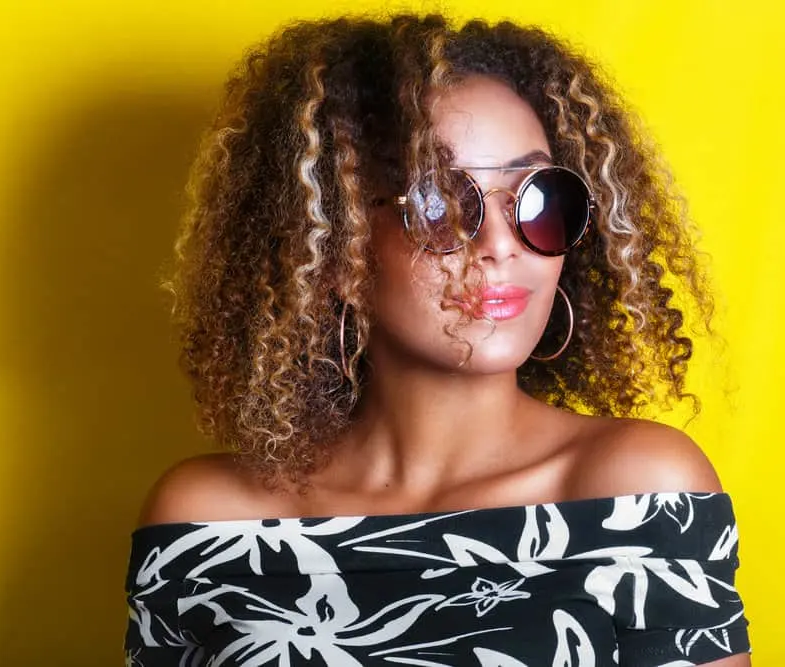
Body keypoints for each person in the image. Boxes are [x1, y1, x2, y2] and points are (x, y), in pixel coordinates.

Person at [124, 14, 751, 667]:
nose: (502, 246)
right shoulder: (203, 520)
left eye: (537, 198)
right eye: (440, 204)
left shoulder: (639, 492)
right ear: (339, 254)